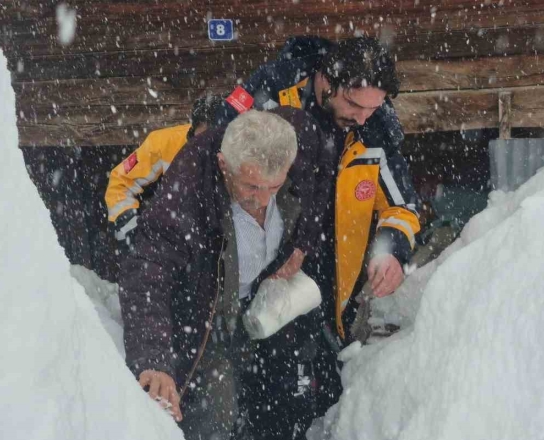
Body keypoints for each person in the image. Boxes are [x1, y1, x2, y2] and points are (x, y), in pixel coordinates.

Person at [119, 108, 333, 440]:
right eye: (251, 186)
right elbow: (147, 273)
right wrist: (154, 359)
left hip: (263, 306)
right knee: (214, 414)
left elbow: (321, 177)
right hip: (205, 316)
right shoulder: (187, 190)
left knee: (284, 401)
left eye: (273, 187)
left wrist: (302, 243)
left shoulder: (299, 140)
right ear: (223, 164)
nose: (262, 200)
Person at [214, 36, 421, 345]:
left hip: (331, 277)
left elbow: (401, 207)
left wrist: (391, 252)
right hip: (263, 266)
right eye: (353, 104)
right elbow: (217, 155)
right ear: (325, 80)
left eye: (373, 107)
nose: (362, 118)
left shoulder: (375, 129)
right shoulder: (270, 93)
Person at [105, 94, 222, 245]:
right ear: (192, 129)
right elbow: (120, 182)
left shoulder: (245, 149)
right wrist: (132, 228)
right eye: (200, 139)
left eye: (213, 141)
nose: (204, 147)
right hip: (168, 236)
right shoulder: (162, 144)